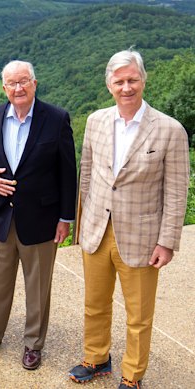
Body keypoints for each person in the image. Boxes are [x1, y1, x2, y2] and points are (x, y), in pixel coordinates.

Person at [69, 50, 189, 389]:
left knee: (138, 315)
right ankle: (96, 358)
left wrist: (167, 241)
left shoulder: (170, 129)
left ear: (143, 80)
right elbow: (87, 175)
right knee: (94, 304)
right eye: (119, 81)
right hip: (96, 229)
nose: (126, 88)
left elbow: (177, 190)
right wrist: (81, 227)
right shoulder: (96, 121)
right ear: (109, 85)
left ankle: (133, 375)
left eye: (132, 80)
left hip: (142, 236)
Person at [0, 60, 77, 369]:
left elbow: (67, 172)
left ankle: (33, 344)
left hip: (42, 219)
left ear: (34, 83)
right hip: (0, 217)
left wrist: (66, 217)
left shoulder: (56, 119)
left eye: (24, 81)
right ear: (3, 88)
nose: (18, 88)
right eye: (12, 83)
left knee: (38, 287)